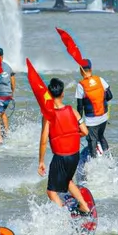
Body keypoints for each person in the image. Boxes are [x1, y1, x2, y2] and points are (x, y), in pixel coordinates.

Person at [38, 78, 89, 213]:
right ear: (63, 94)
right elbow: (85, 131)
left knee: (51, 192)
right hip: (74, 154)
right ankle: (84, 205)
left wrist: (41, 162)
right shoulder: (72, 110)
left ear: (49, 94)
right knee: (67, 181)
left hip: (60, 157)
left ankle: (64, 217)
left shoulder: (48, 115)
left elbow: (43, 140)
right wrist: (71, 136)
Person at [75, 59, 112, 160]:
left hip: (92, 120)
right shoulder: (100, 79)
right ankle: (108, 157)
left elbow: (80, 106)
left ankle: (94, 162)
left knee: (92, 140)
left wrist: (79, 122)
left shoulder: (80, 85)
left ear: (81, 71)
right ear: (91, 69)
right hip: (104, 117)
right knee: (101, 136)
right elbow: (110, 96)